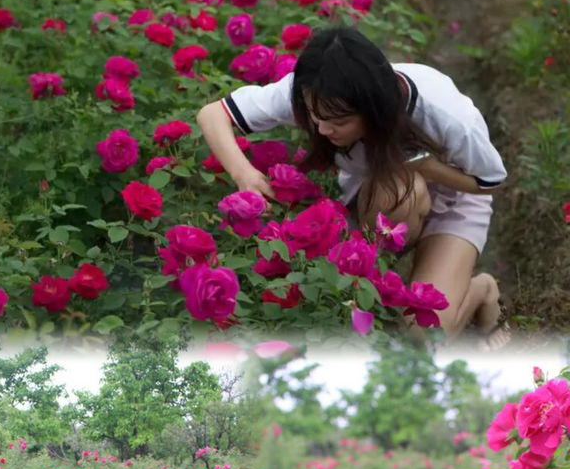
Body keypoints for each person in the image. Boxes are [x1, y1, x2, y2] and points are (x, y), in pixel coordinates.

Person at [197, 25, 509, 346]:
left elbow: (490, 183)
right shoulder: (317, 94)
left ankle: (481, 290)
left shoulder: (445, 113)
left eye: (339, 122)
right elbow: (212, 115)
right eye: (315, 118)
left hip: (456, 201)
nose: (322, 128)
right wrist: (244, 175)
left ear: (374, 109)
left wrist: (428, 167)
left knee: (425, 339)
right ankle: (386, 287)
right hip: (382, 196)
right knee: (394, 191)